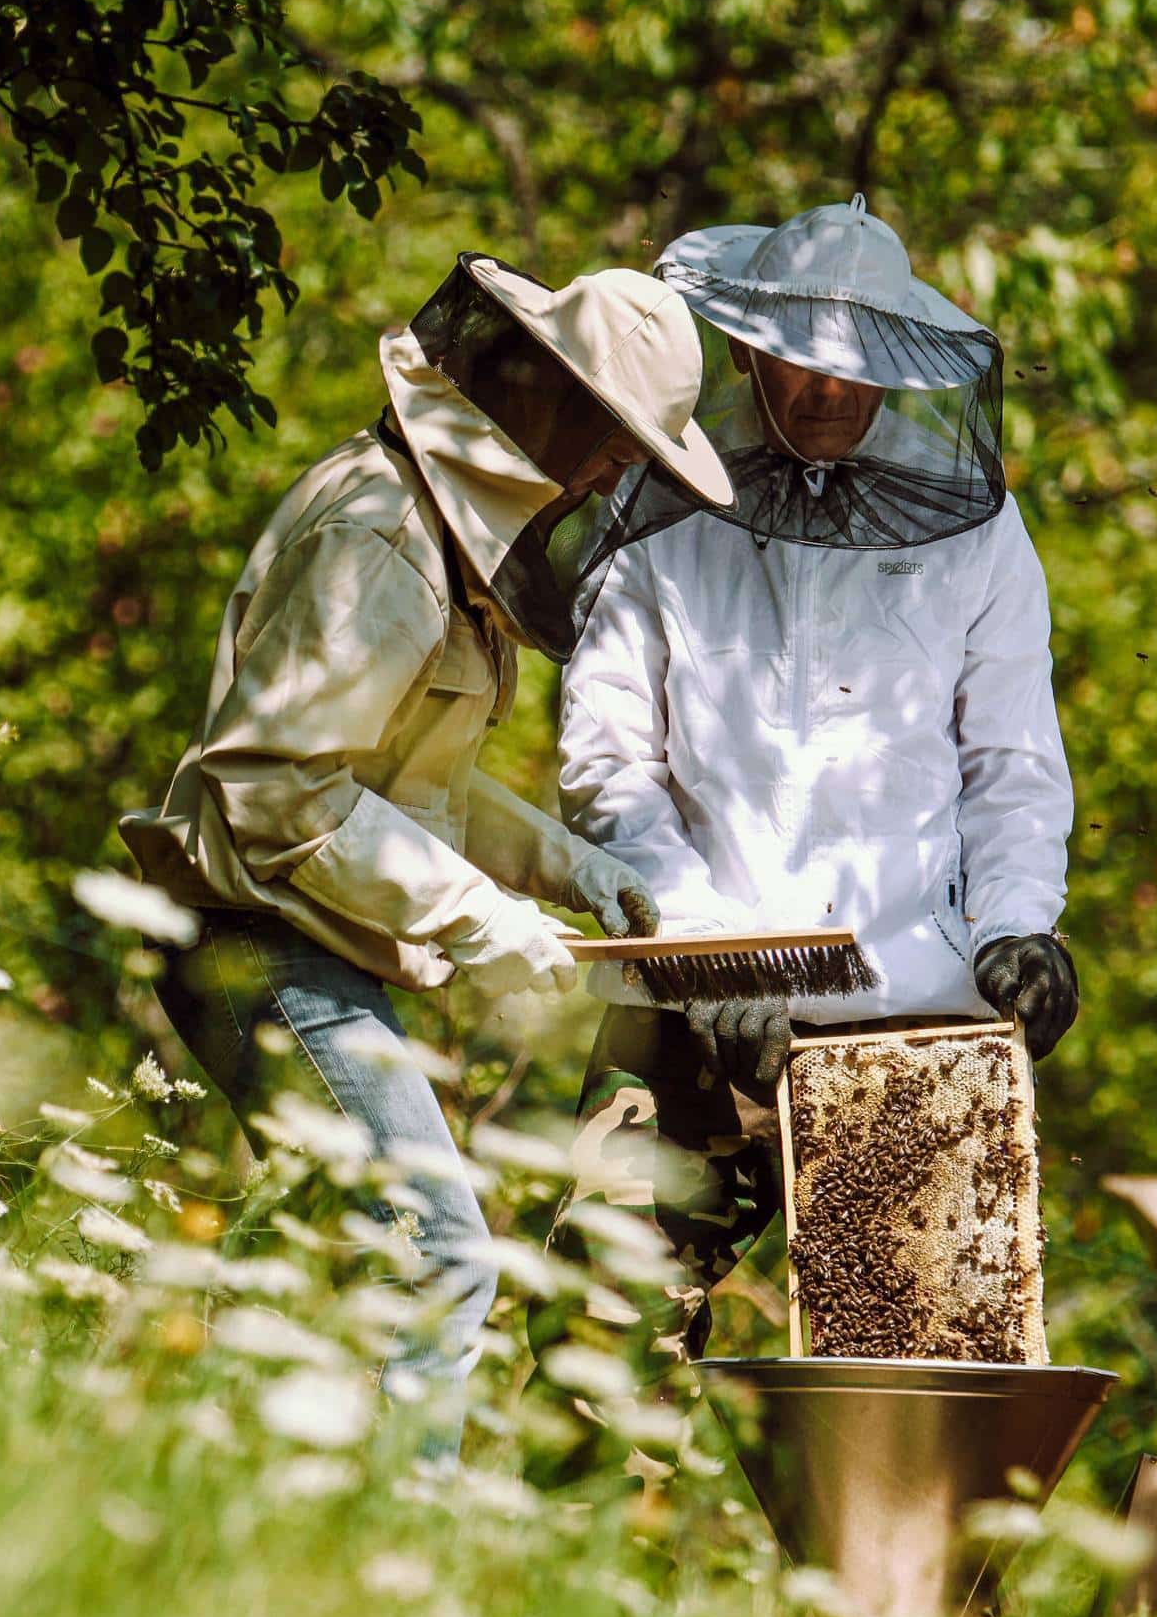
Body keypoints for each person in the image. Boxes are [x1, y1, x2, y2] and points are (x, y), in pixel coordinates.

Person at [118, 251, 732, 1444]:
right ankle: (395, 1572)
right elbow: (273, 787)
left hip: (302, 950)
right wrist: (482, 917)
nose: (613, 478)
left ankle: (222, 1509)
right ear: (548, 400)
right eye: (614, 443)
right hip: (262, 946)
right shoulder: (382, 541)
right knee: (434, 1257)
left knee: (324, 1263)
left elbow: (406, 781)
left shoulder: (437, 541)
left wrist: (563, 868)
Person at [540, 196, 1077, 1403]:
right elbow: (610, 765)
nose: (831, 389)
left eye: (858, 363)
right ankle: (572, 1580)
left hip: (910, 1021)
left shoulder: (980, 538)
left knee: (917, 1404)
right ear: (744, 348)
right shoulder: (663, 516)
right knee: (595, 1347)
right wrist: (707, 954)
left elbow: (1010, 767)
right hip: (684, 1017)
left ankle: (893, 1601)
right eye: (801, 358)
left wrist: (1016, 929)